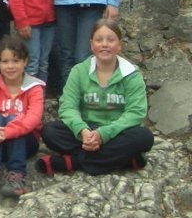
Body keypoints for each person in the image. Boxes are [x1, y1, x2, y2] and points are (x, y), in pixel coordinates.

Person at [38, 19, 153, 176]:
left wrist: (104, 134)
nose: (104, 44)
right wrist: (82, 131)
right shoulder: (79, 71)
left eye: (111, 40)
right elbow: (68, 107)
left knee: (144, 137)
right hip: (87, 130)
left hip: (117, 132)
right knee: (50, 132)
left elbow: (136, 113)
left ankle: (73, 162)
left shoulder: (131, 74)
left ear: (119, 45)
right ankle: (123, 159)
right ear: (91, 45)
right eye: (99, 40)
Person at [0, 35, 45, 199]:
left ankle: (17, 175)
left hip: (25, 144)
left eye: (16, 61)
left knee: (15, 119)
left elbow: (32, 120)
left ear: (25, 62)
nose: (10, 66)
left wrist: (7, 132)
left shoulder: (34, 88)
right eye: (5, 61)